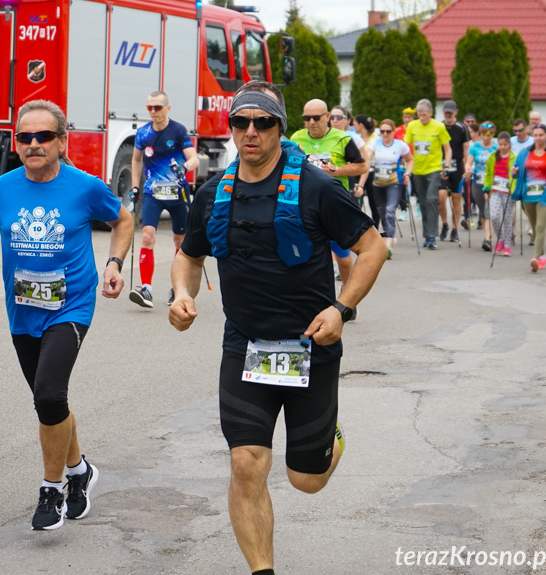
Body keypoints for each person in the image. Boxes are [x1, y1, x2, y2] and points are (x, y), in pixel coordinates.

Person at [169, 80, 387, 575]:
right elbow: (188, 255)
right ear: (230, 129)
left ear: (278, 128)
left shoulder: (318, 188)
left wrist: (342, 309)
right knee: (246, 463)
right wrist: (182, 294)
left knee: (306, 480)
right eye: (240, 122)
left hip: (311, 346)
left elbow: (373, 249)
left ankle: (331, 438)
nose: (251, 132)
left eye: (263, 122)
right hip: (245, 348)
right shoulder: (212, 193)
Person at [0, 99, 133, 530]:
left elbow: (124, 220)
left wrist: (114, 264)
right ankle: (80, 471)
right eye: (26, 137)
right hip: (22, 309)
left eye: (44, 136)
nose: (34, 144)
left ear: (62, 141)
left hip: (72, 304)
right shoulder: (2, 188)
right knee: (49, 400)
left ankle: (51, 489)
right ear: (15, 141)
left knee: (48, 394)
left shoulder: (85, 186)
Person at [128, 91, 199, 308]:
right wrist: (135, 186)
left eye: (157, 107)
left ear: (168, 108)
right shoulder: (143, 133)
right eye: (149, 107)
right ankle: (146, 289)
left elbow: (194, 158)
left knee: (180, 242)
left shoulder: (177, 130)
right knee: (147, 236)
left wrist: (184, 168)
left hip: (177, 193)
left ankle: (178, 289)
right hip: (153, 193)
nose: (153, 111)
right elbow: (136, 160)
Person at [291, 99, 368, 289]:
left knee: (342, 258)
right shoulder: (296, 139)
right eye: (307, 118)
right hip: (305, 206)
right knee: (306, 255)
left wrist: (336, 171)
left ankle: (348, 297)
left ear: (326, 117)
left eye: (316, 118)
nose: (311, 122)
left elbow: (363, 165)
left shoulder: (342, 139)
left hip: (333, 206)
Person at [358, 119, 413, 258]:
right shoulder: (375, 143)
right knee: (382, 212)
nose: (385, 134)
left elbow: (410, 159)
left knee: (390, 211)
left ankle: (387, 245)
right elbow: (366, 162)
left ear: (393, 132)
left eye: (388, 131)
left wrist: (407, 173)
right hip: (378, 183)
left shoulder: (400, 145)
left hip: (394, 182)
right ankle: (389, 236)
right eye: (382, 131)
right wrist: (360, 184)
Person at [511, 123, 546, 272]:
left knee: (540, 227)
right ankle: (542, 255)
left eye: (541, 135)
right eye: (535, 135)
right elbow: (515, 171)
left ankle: (535, 259)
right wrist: (514, 172)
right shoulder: (524, 153)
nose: (538, 138)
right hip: (528, 195)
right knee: (534, 227)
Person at [404, 98, 452, 249]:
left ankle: (432, 235)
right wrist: (405, 165)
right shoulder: (412, 126)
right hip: (418, 170)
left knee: (432, 199)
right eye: (419, 115)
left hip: (434, 168)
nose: (422, 118)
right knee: (423, 202)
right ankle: (427, 234)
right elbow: (406, 146)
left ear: (431, 113)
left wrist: (447, 165)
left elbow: (448, 149)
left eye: (424, 115)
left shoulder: (439, 127)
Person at [464, 121, 498, 250]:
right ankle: (487, 234)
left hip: (492, 183)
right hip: (477, 182)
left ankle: (487, 239)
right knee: (483, 211)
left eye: (489, 134)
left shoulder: (496, 148)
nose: (486, 136)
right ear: (480, 133)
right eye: (483, 134)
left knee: (489, 210)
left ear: (493, 134)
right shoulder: (475, 146)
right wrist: (468, 169)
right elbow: (469, 162)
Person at [439, 100, 469, 244]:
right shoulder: (439, 126)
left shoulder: (461, 128)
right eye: (446, 112)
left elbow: (466, 149)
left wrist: (466, 167)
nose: (448, 115)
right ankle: (445, 224)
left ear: (456, 112)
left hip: (457, 166)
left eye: (450, 112)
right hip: (441, 165)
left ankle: (455, 229)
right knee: (441, 196)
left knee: (456, 198)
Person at [483, 132, 516, 256]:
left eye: (505, 144)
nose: (502, 147)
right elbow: (488, 174)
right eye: (500, 144)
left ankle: (507, 245)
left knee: (507, 219)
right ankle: (500, 239)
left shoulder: (514, 157)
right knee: (495, 216)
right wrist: (486, 188)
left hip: (508, 192)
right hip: (495, 190)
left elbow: (517, 175)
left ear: (509, 144)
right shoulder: (492, 157)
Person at [352, 114, 378, 228]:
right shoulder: (355, 138)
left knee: (374, 203)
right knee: (357, 203)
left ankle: (376, 229)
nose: (353, 127)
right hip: (358, 173)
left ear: (361, 125)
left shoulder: (375, 139)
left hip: (372, 173)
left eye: (354, 124)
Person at [394, 107, 415, 221]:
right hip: (402, 161)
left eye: (409, 117)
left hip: (415, 161)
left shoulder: (417, 129)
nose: (406, 119)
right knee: (403, 185)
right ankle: (403, 209)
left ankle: (419, 203)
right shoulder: (397, 130)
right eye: (405, 117)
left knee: (415, 185)